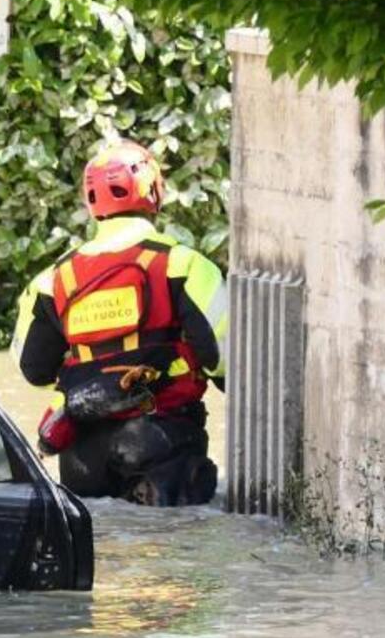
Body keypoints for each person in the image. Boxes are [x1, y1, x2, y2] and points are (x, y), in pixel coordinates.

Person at [12, 139, 229, 505]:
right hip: (162, 439)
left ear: (91, 203)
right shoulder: (185, 265)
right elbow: (223, 359)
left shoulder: (53, 279)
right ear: (154, 191)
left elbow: (33, 370)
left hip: (81, 454)